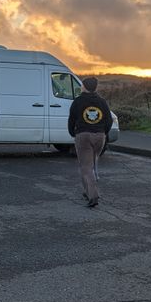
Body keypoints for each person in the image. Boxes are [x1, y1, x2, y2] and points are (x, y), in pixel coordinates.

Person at [68, 76, 113, 208]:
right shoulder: (102, 101)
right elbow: (108, 120)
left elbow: (72, 120)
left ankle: (93, 195)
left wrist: (72, 133)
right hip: (99, 136)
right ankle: (86, 191)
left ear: (85, 87)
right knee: (92, 163)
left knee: (85, 166)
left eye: (82, 85)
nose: (81, 86)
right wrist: (104, 132)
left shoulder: (78, 101)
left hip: (83, 136)